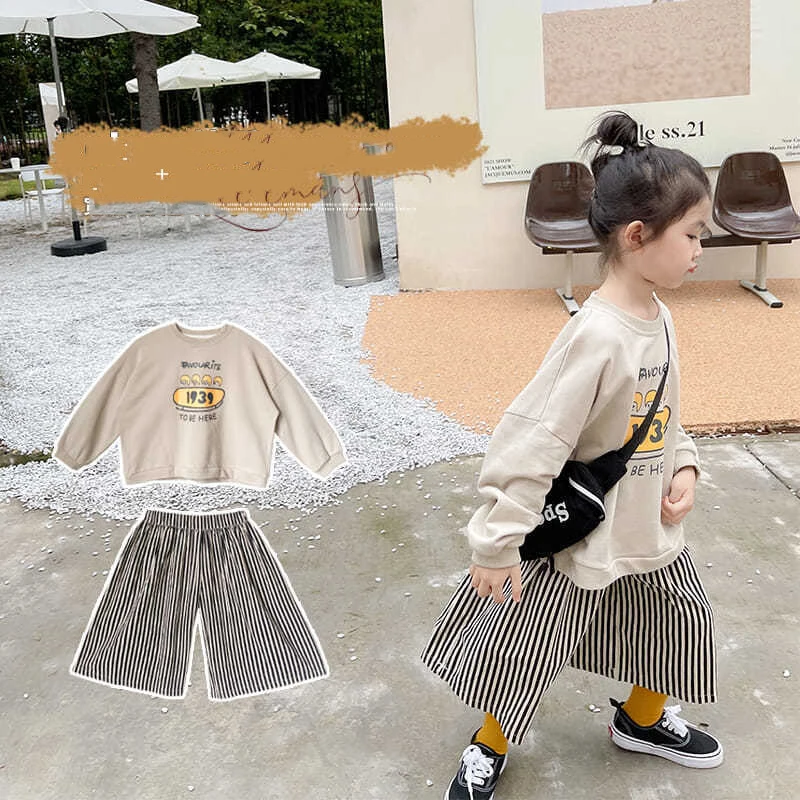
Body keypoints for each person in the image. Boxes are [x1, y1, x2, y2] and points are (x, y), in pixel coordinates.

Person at [421, 110, 722, 800]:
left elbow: (664, 413)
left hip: (647, 525)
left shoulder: (660, 315)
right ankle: (489, 744)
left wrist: (683, 462)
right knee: (522, 654)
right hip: (583, 530)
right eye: (692, 233)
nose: (701, 248)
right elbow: (535, 439)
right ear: (637, 236)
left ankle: (640, 720)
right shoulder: (596, 335)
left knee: (678, 625)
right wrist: (497, 541)